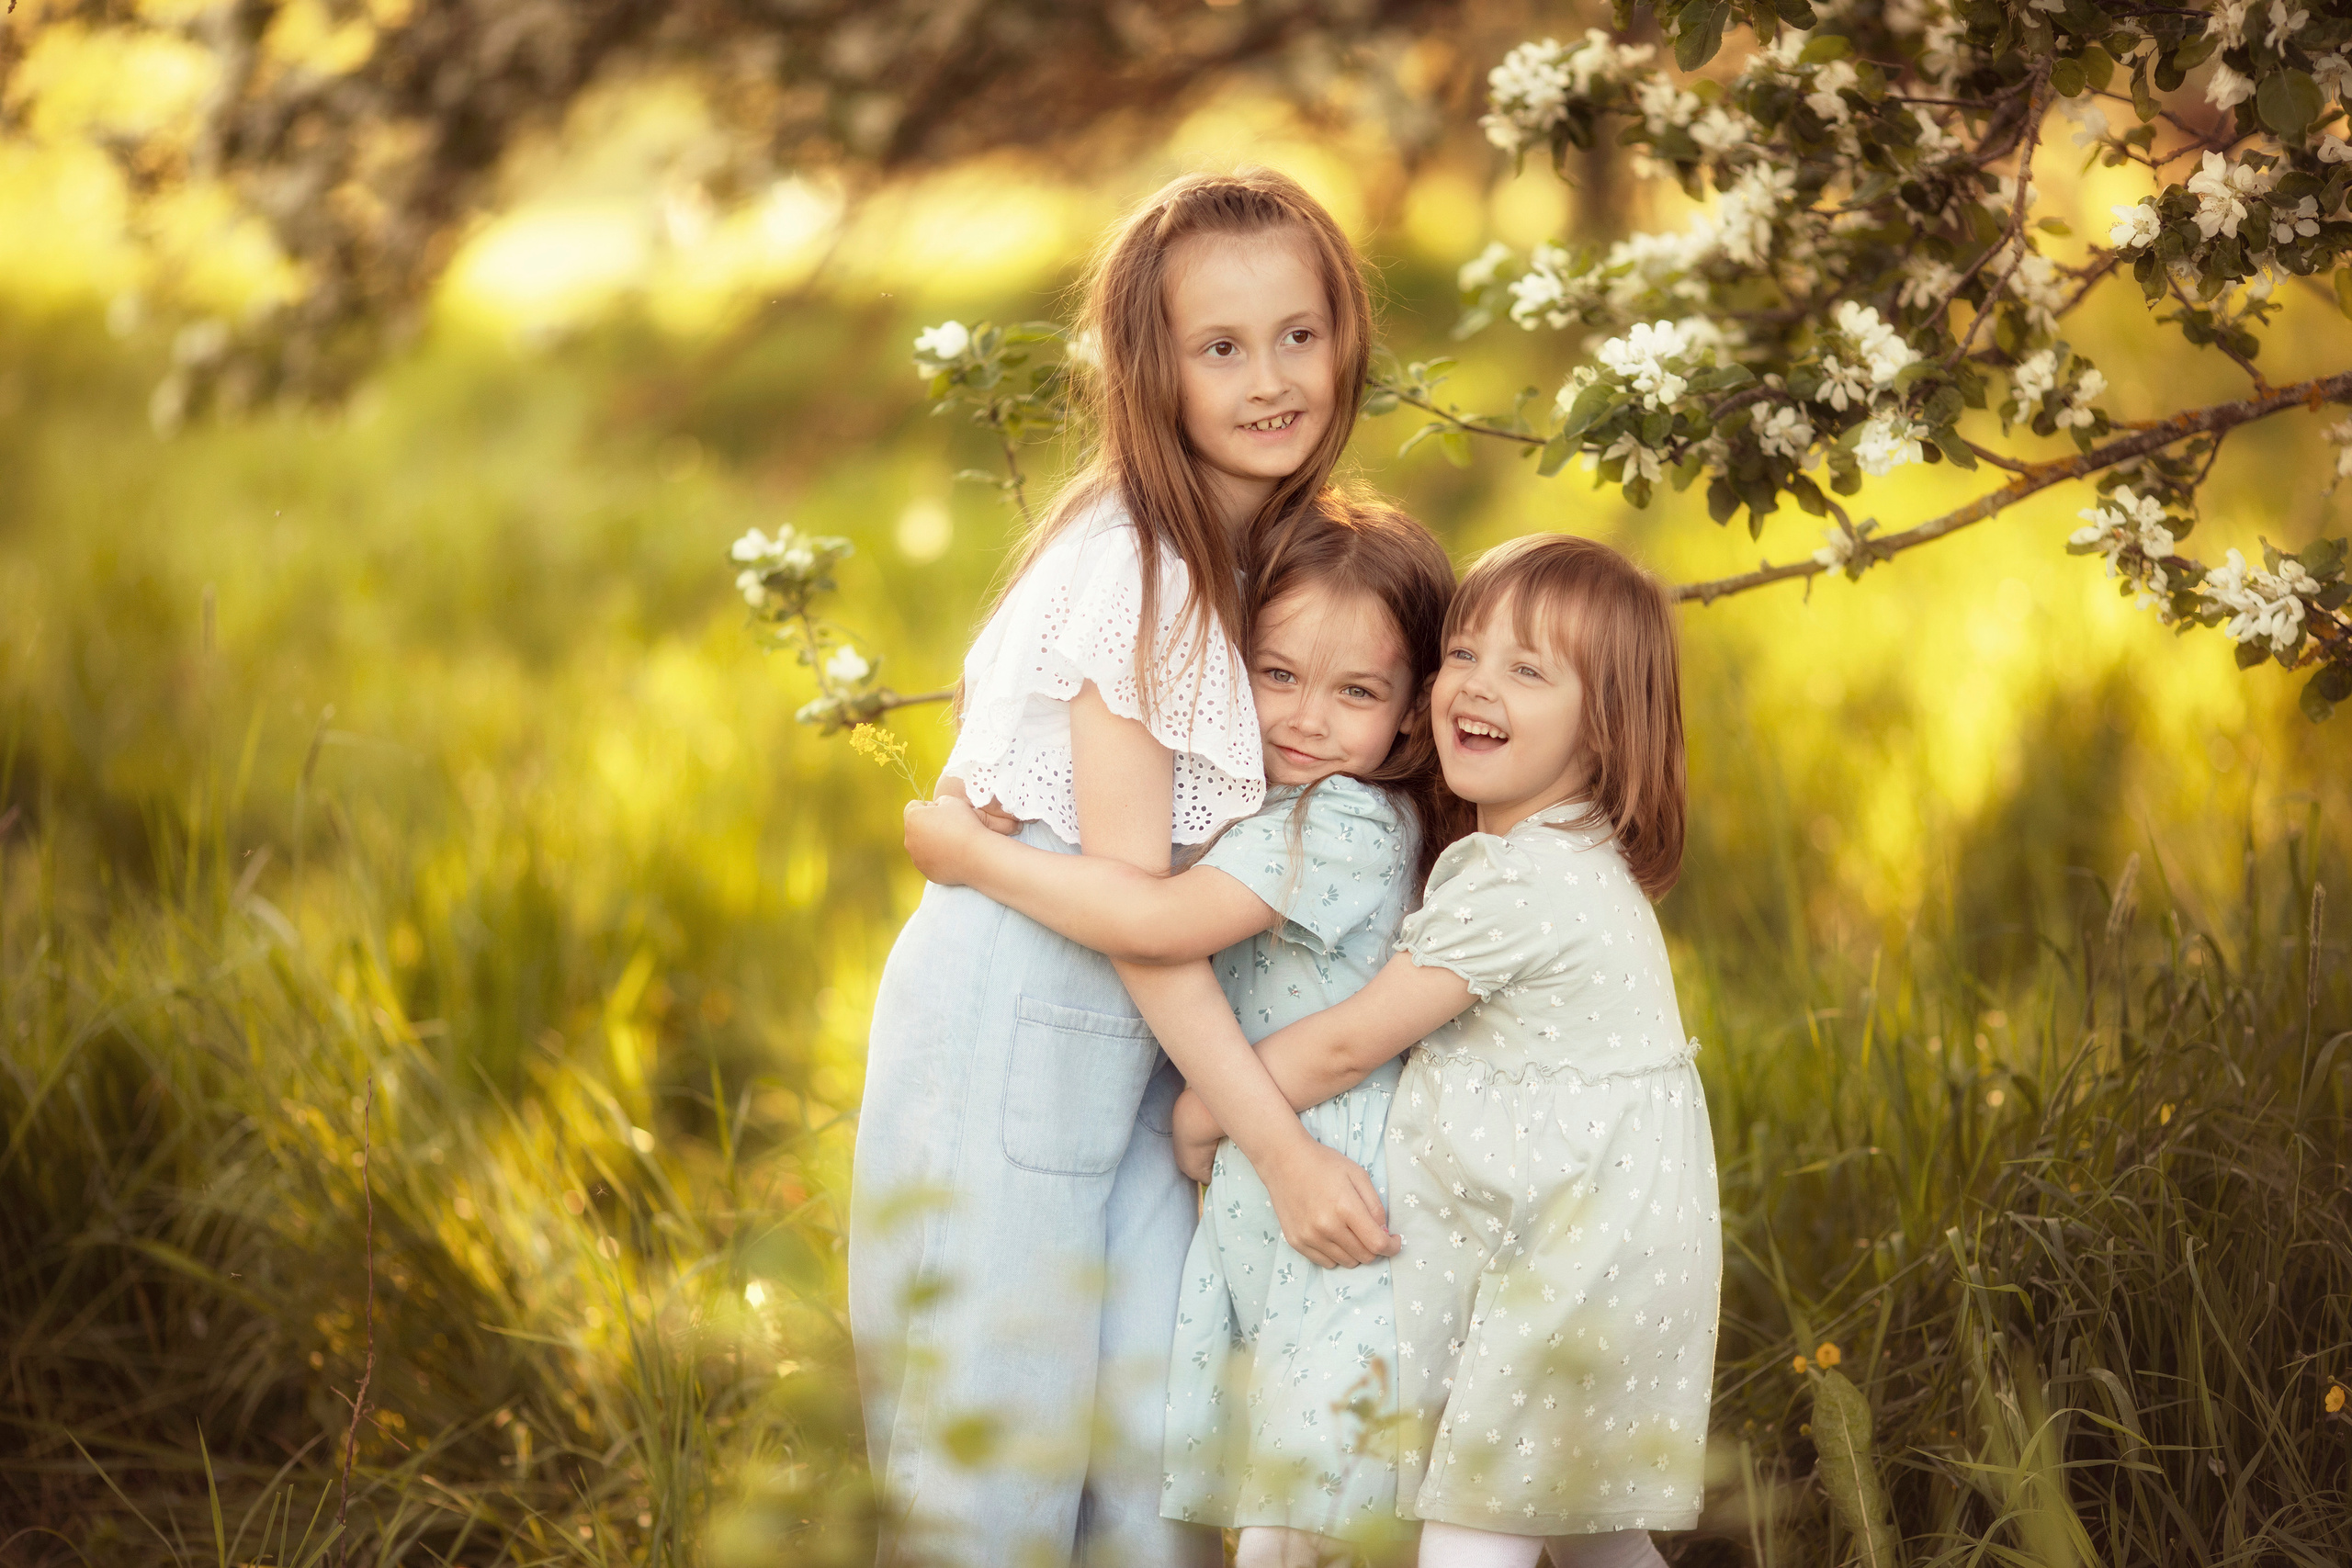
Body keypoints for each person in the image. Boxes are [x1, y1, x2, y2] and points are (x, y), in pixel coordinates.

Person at [849, 167, 1394, 1568]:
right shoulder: (1140, 567)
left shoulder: (1264, 548)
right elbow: (1143, 912)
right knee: (996, 1430)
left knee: (1151, 1440)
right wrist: (1278, 1141)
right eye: (1221, 347)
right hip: (1027, 1011)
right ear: (1153, 370)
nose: (1272, 379)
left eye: (1299, 333)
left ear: (1346, 333)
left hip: (1152, 1033)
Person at [907, 493, 1464, 1567]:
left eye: (1355, 692)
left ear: (1407, 715)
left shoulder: (1341, 821)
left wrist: (979, 859)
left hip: (1336, 1215)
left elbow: (1155, 918)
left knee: (1293, 1529)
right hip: (1273, 1217)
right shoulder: (1275, 806)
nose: (1305, 718)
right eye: (1277, 676)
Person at [1170, 533, 1722, 1567]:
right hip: (1596, 1241)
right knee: (1595, 1535)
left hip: (1572, 1256)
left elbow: (1347, 1043)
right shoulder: (1546, 855)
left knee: (1473, 1529)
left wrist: (1207, 1108)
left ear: (1605, 730)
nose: (1475, 686)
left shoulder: (1521, 885)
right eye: (1463, 654)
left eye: (1527, 669)